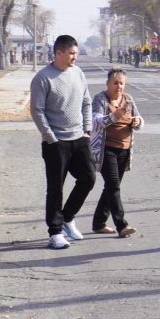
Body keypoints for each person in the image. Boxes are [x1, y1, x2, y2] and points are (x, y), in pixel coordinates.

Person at [29, 34, 95, 250]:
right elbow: (37, 111)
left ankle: (67, 217)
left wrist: (87, 129)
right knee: (55, 188)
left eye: (76, 53)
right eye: (72, 53)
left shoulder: (78, 73)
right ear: (59, 53)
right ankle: (55, 232)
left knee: (88, 178)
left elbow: (86, 102)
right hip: (56, 143)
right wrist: (51, 138)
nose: (75, 57)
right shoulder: (43, 78)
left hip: (79, 138)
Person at [89, 68, 144, 238]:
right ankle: (122, 225)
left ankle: (98, 223)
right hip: (106, 150)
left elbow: (139, 119)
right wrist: (115, 115)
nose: (118, 86)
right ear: (108, 84)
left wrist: (137, 122)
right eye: (115, 83)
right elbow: (96, 121)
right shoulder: (100, 99)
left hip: (124, 150)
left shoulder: (128, 99)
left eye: (121, 83)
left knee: (111, 187)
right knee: (113, 186)